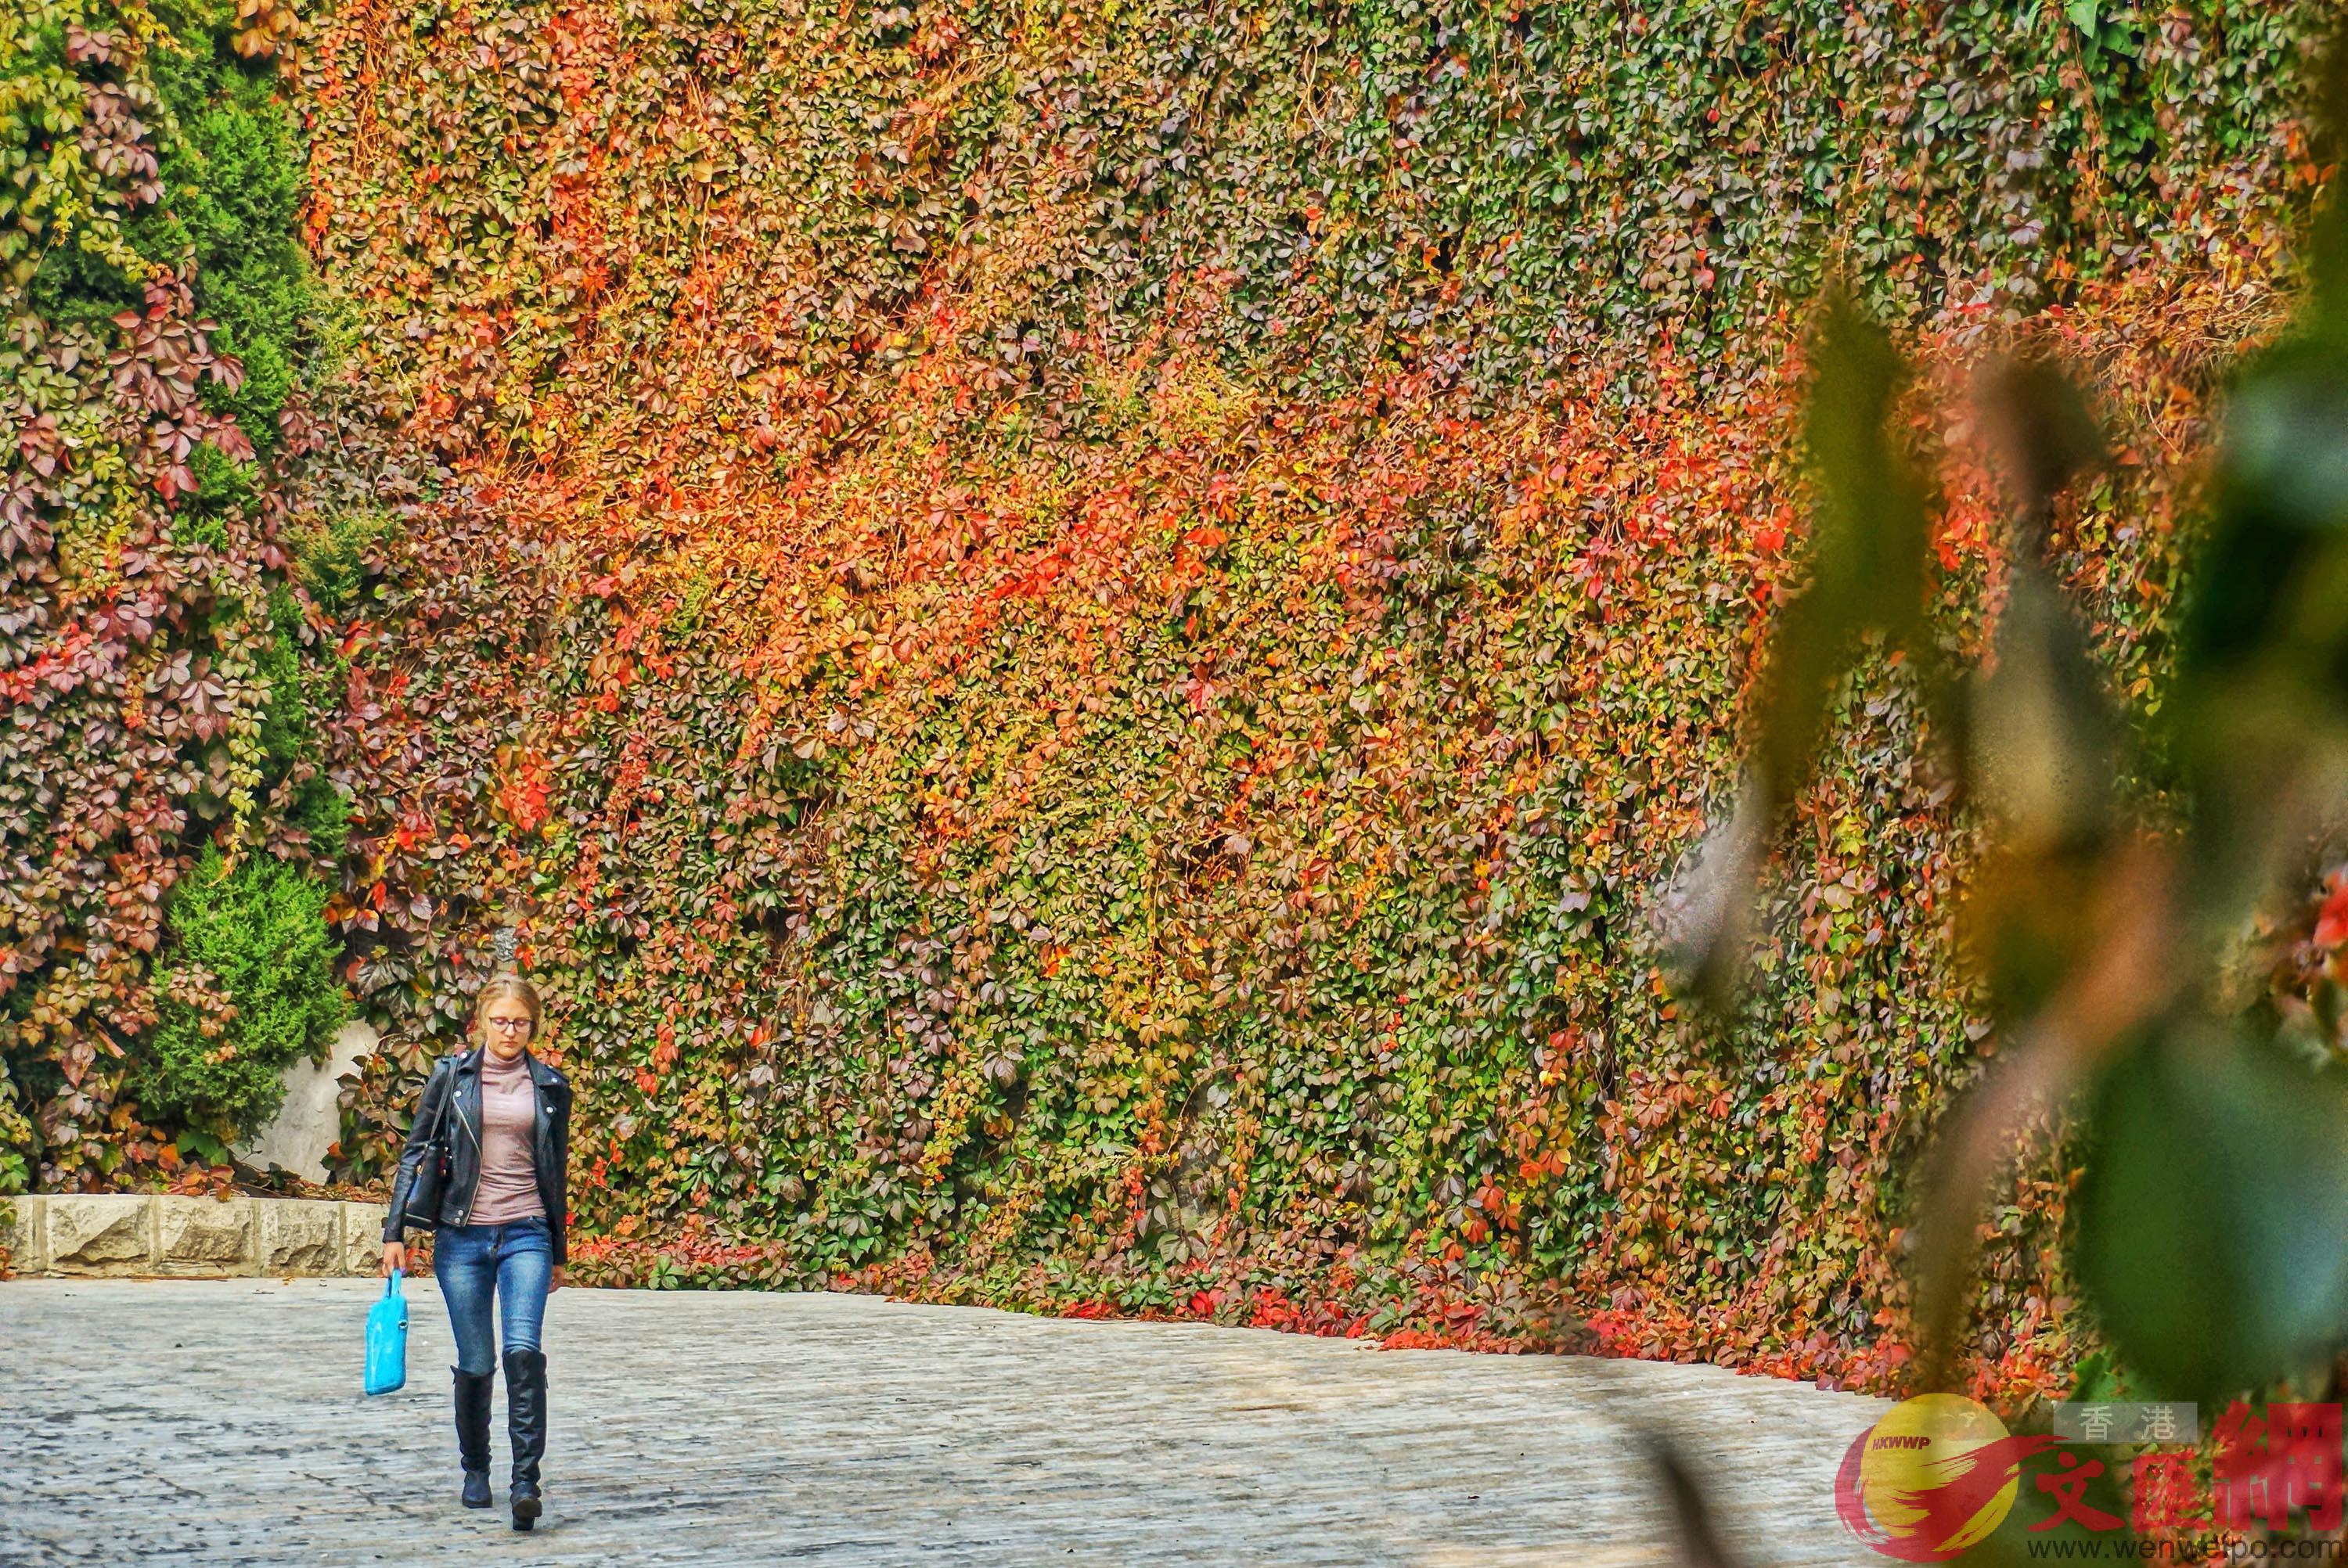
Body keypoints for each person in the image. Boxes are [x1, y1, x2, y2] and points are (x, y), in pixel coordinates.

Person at [380, 974, 574, 1531]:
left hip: (527, 1232)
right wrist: (396, 1232)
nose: (510, 1031)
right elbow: (415, 1153)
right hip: (461, 1236)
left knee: (522, 1351)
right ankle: (475, 1468)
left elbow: (555, 1173)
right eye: (500, 1021)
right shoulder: (451, 1076)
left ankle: (525, 1483)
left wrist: (557, 1248)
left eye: (521, 1022)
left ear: (533, 1026)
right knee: (477, 1361)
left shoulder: (551, 1087)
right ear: (481, 1022)